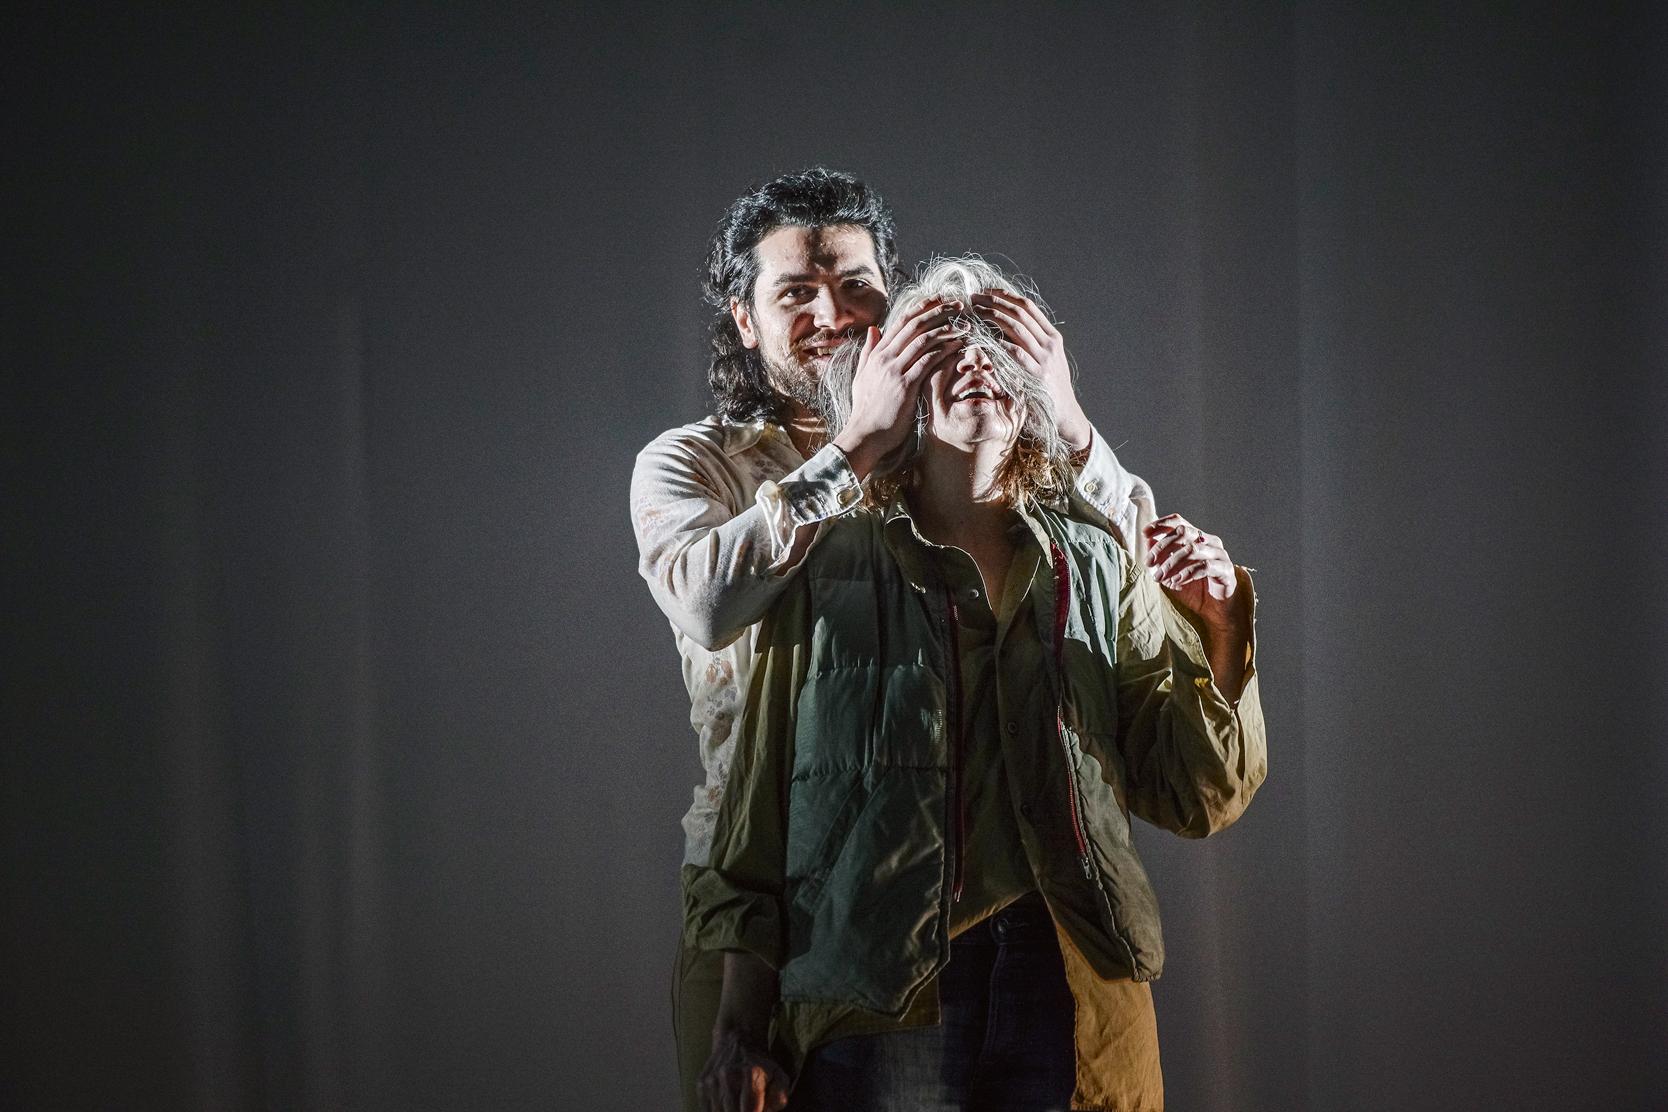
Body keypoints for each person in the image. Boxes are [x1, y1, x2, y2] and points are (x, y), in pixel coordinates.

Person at [630, 170, 1157, 1112]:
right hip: (755, 897)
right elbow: (706, 603)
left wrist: (1069, 423)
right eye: (794, 291)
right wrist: (854, 452)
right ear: (744, 321)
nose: (831, 312)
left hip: (922, 891)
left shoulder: (957, 437)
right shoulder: (692, 461)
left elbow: (1127, 581)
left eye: (856, 284)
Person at [685, 258, 1266, 1112]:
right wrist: (740, 1027)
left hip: (1073, 988)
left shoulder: (1096, 559)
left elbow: (1200, 792)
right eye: (943, 343)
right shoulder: (829, 562)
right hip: (881, 997)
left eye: (996, 342)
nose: (977, 360)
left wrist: (1219, 626)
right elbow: (757, 814)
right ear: (895, 386)